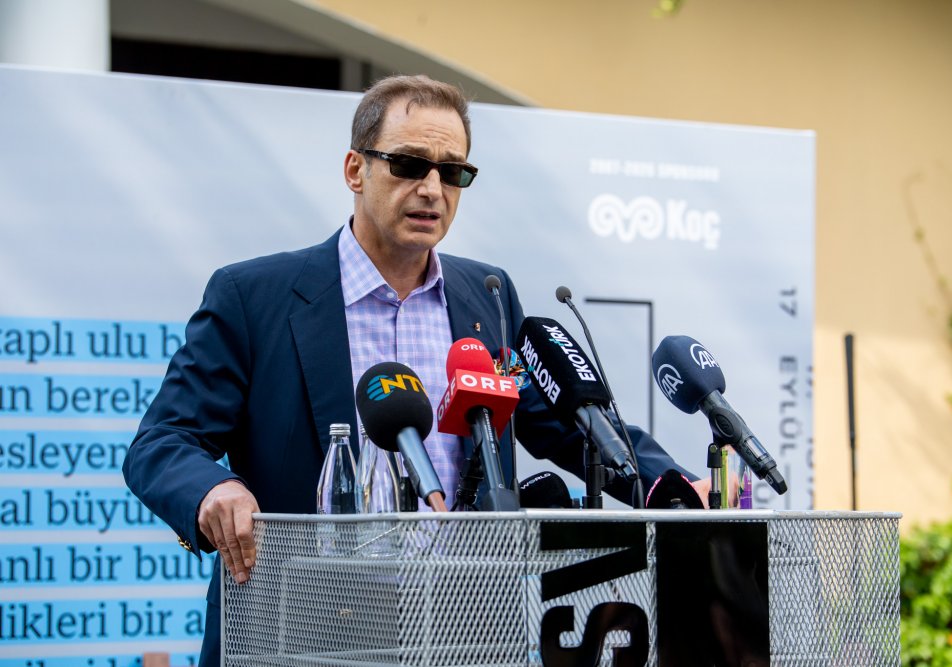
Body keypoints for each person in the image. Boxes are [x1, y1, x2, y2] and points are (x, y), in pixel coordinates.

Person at [123, 74, 702, 667]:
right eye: (409, 164)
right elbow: (163, 442)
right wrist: (214, 489)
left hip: (467, 626)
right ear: (355, 170)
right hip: (306, 628)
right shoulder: (254, 296)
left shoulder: (489, 295)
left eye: (452, 173)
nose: (432, 189)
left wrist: (673, 485)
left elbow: (563, 424)